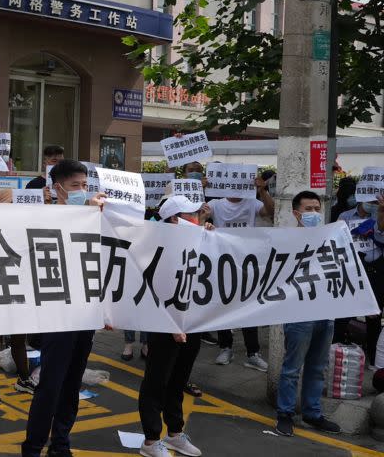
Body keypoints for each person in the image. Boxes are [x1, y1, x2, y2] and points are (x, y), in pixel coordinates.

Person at [22, 159, 105, 457]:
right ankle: (32, 447)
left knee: (72, 384)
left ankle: (61, 444)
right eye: (75, 186)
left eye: (85, 185)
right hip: (57, 314)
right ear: (58, 188)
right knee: (51, 385)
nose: (83, 191)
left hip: (85, 312)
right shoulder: (43, 218)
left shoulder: (95, 217)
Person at [136, 195, 213, 457]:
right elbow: (151, 290)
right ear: (174, 219)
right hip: (164, 326)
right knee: (156, 381)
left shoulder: (200, 238)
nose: (197, 218)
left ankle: (175, 433)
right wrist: (170, 324)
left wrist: (210, 235)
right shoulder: (157, 245)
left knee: (179, 379)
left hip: (192, 322)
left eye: (197, 214)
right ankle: (150, 440)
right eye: (191, 215)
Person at [274, 190, 342, 437]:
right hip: (299, 313)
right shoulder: (285, 242)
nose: (314, 213)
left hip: (326, 310)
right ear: (296, 213)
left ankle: (313, 413)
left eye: (317, 209)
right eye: (309, 209)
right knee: (292, 368)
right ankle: (285, 414)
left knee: (317, 366)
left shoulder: (331, 238)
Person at [205, 174, 274, 372]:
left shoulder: (252, 203)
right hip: (222, 261)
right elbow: (195, 214)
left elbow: (271, 211)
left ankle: (253, 353)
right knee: (224, 304)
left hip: (246, 261)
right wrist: (198, 188)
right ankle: (225, 347)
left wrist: (263, 190)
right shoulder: (216, 204)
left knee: (247, 306)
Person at [336, 193, 382, 363]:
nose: (373, 204)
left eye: (375, 202)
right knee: (344, 311)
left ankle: (372, 354)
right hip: (352, 268)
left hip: (375, 268)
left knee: (374, 314)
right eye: (371, 201)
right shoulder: (345, 216)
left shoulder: (379, 215)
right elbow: (338, 239)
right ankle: (337, 347)